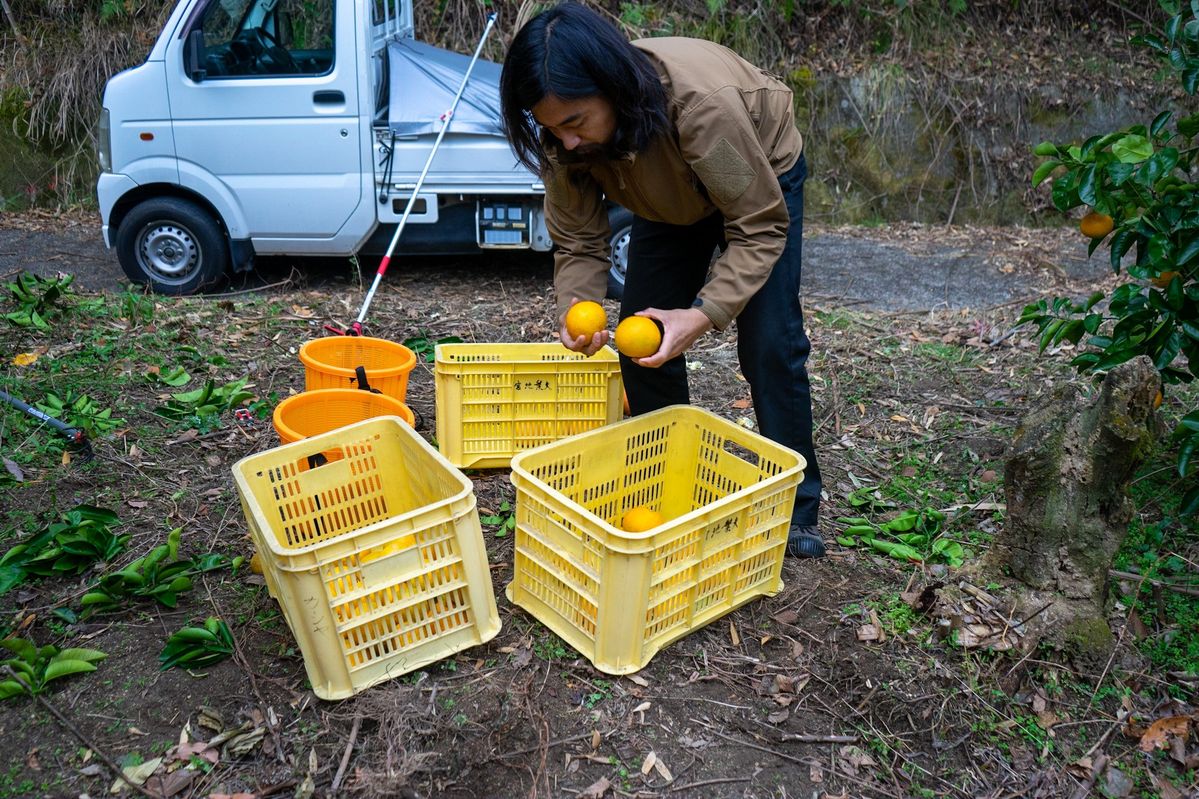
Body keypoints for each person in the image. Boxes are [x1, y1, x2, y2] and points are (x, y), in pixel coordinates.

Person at [499, 2, 824, 557]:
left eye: (575, 122)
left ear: (613, 90)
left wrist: (701, 314)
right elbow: (579, 240)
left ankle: (796, 509)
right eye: (551, 127)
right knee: (640, 343)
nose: (567, 141)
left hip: (756, 179)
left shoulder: (700, 109)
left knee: (770, 343)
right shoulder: (564, 141)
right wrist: (577, 308)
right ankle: (666, 480)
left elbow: (757, 227)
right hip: (666, 196)